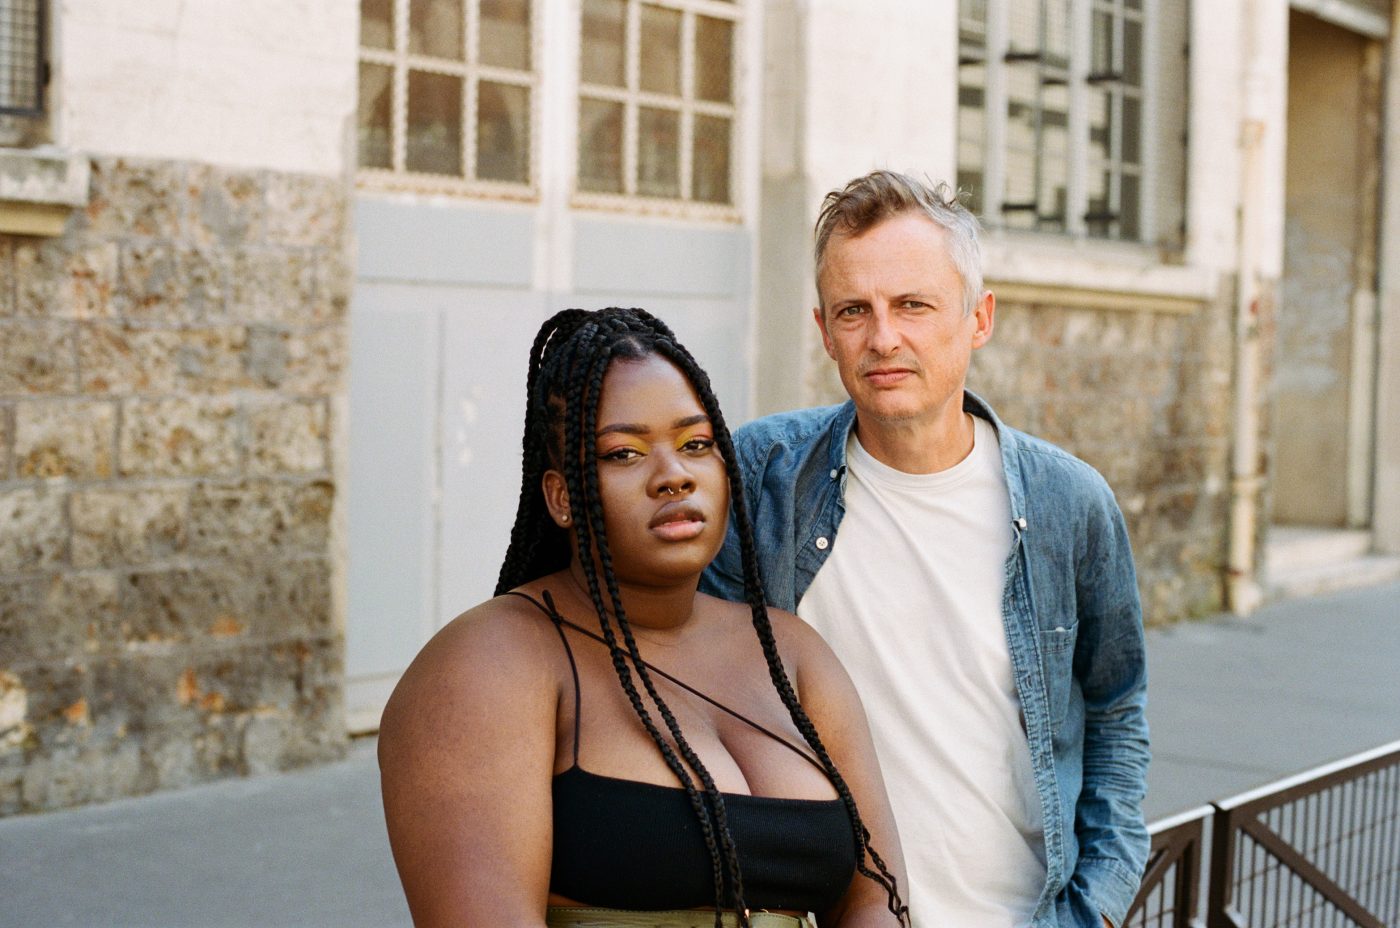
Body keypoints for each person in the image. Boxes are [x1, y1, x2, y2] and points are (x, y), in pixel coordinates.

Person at [701, 172, 1150, 928]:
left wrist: (1098, 906)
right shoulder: (762, 478)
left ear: (979, 318)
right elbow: (694, 685)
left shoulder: (1068, 505)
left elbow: (1116, 709)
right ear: (823, 329)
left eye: (913, 304)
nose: (883, 338)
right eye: (855, 311)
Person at [378, 307, 911, 928]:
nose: (674, 476)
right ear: (560, 496)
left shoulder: (790, 652)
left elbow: (877, 895)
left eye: (696, 445)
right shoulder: (489, 663)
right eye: (625, 453)